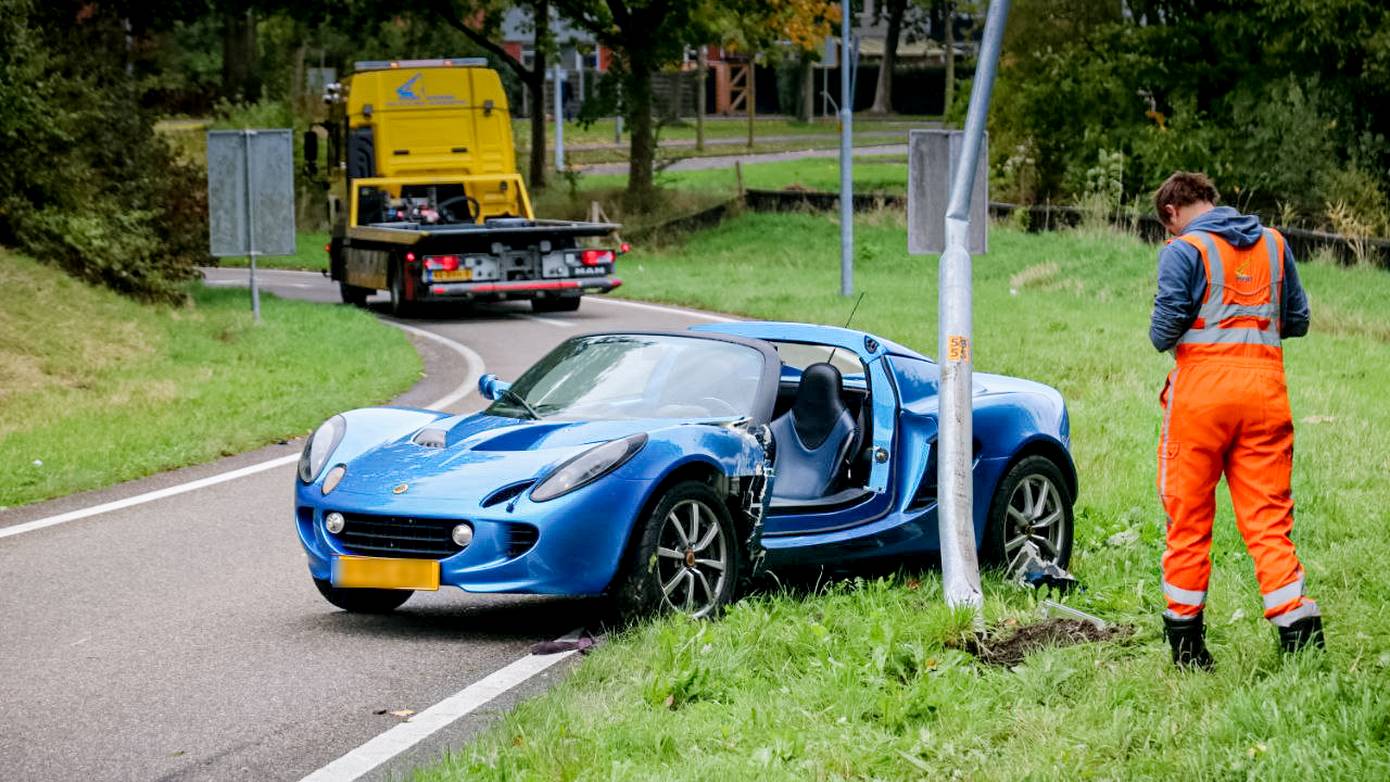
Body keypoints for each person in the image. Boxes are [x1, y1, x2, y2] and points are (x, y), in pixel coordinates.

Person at [1149, 171, 1323, 669]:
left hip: (1201, 400)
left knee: (1189, 519)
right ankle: (1299, 640)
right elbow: (1299, 321)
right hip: (1265, 394)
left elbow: (1163, 333)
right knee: (1269, 520)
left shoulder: (1183, 250)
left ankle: (1188, 649)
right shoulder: (1273, 243)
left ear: (1172, 214)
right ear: (1210, 198)